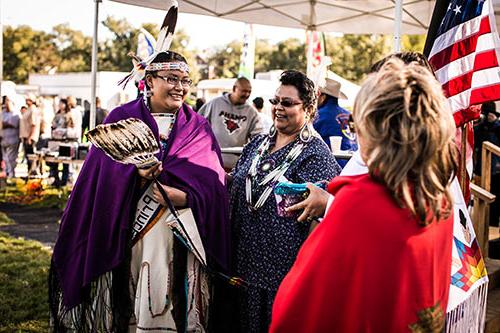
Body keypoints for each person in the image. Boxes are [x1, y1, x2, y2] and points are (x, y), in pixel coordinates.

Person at [49, 50, 231, 332]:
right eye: (171, 78)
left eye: (185, 80)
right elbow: (98, 179)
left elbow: (215, 186)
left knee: (167, 302)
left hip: (178, 241)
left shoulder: (197, 127)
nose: (180, 87)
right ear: (149, 81)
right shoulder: (121, 118)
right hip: (124, 234)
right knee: (127, 304)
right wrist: (132, 173)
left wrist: (187, 197)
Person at [270, 59, 457, 333]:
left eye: (359, 124)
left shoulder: (360, 201)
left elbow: (300, 305)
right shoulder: (439, 196)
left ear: (377, 128)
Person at [230, 70, 341, 332]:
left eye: (288, 103)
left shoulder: (316, 155)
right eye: (276, 101)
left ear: (309, 107)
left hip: (280, 277)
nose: (279, 108)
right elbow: (235, 182)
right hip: (242, 267)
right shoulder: (257, 144)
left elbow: (322, 222)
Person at [199, 77, 265, 169]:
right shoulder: (215, 103)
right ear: (234, 89)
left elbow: (258, 138)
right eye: (244, 91)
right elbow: (197, 124)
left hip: (235, 167)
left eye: (249, 92)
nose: (247, 94)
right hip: (210, 162)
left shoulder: (251, 113)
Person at [313, 77, 357, 167]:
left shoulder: (318, 115)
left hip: (330, 166)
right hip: (352, 163)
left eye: (316, 95)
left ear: (323, 97)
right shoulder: (350, 115)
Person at [474, 101, 500, 226]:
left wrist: (495, 122)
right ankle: (482, 222)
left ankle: (493, 222)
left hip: (495, 168)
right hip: (481, 167)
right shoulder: (481, 127)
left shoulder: (498, 127)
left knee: (494, 197)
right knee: (481, 197)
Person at [48, 98, 74, 187]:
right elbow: (53, 125)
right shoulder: (57, 115)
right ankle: (56, 179)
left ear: (65, 104)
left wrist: (62, 131)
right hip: (56, 141)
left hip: (65, 141)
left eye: (61, 103)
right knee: (54, 162)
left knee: (65, 162)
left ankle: (64, 181)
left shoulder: (69, 115)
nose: (59, 105)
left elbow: (71, 127)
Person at [20, 94, 41, 173]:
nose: (26, 101)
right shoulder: (28, 109)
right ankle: (29, 172)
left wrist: (30, 137)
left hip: (30, 137)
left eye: (28, 99)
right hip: (26, 136)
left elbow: (33, 124)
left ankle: (33, 173)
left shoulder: (33, 110)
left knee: (31, 157)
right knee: (28, 157)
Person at [1, 96, 20, 179]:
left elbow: (12, 124)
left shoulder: (15, 113)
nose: (6, 103)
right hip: (3, 139)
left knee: (11, 158)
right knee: (5, 158)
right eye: (6, 101)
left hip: (13, 139)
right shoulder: (3, 113)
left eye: (8, 101)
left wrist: (4, 124)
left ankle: (12, 174)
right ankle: (7, 173)